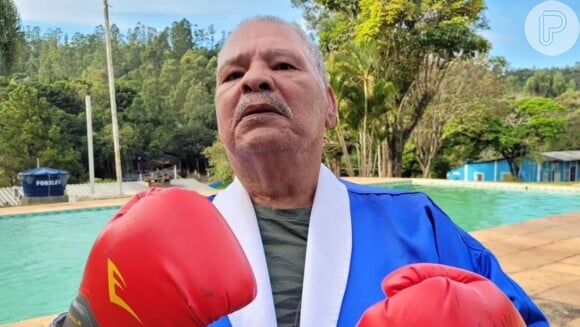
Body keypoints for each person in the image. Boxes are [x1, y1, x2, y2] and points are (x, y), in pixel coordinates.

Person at [50, 15, 548, 326]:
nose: (256, 80)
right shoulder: (149, 246)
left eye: (284, 67)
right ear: (220, 113)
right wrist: (82, 323)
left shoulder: (423, 226)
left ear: (330, 105)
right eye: (232, 74)